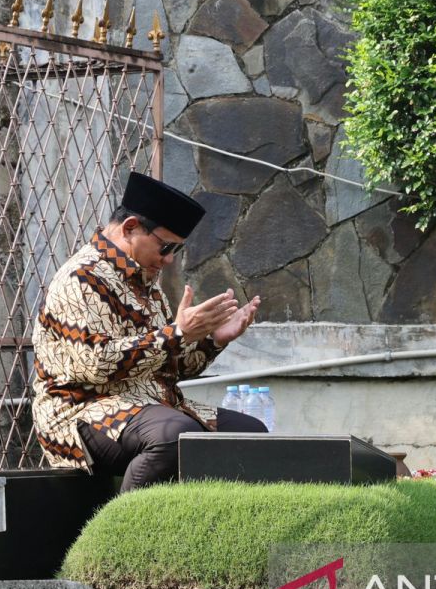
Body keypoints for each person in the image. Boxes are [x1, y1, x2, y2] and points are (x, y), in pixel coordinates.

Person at [31, 171, 265, 491]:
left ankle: (219, 536)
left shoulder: (146, 286)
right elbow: (96, 364)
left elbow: (170, 366)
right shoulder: (80, 277)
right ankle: (123, 540)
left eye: (176, 251)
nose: (169, 259)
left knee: (252, 435)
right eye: (166, 246)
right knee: (174, 438)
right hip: (80, 412)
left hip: (153, 407)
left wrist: (212, 339)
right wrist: (177, 334)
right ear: (130, 228)